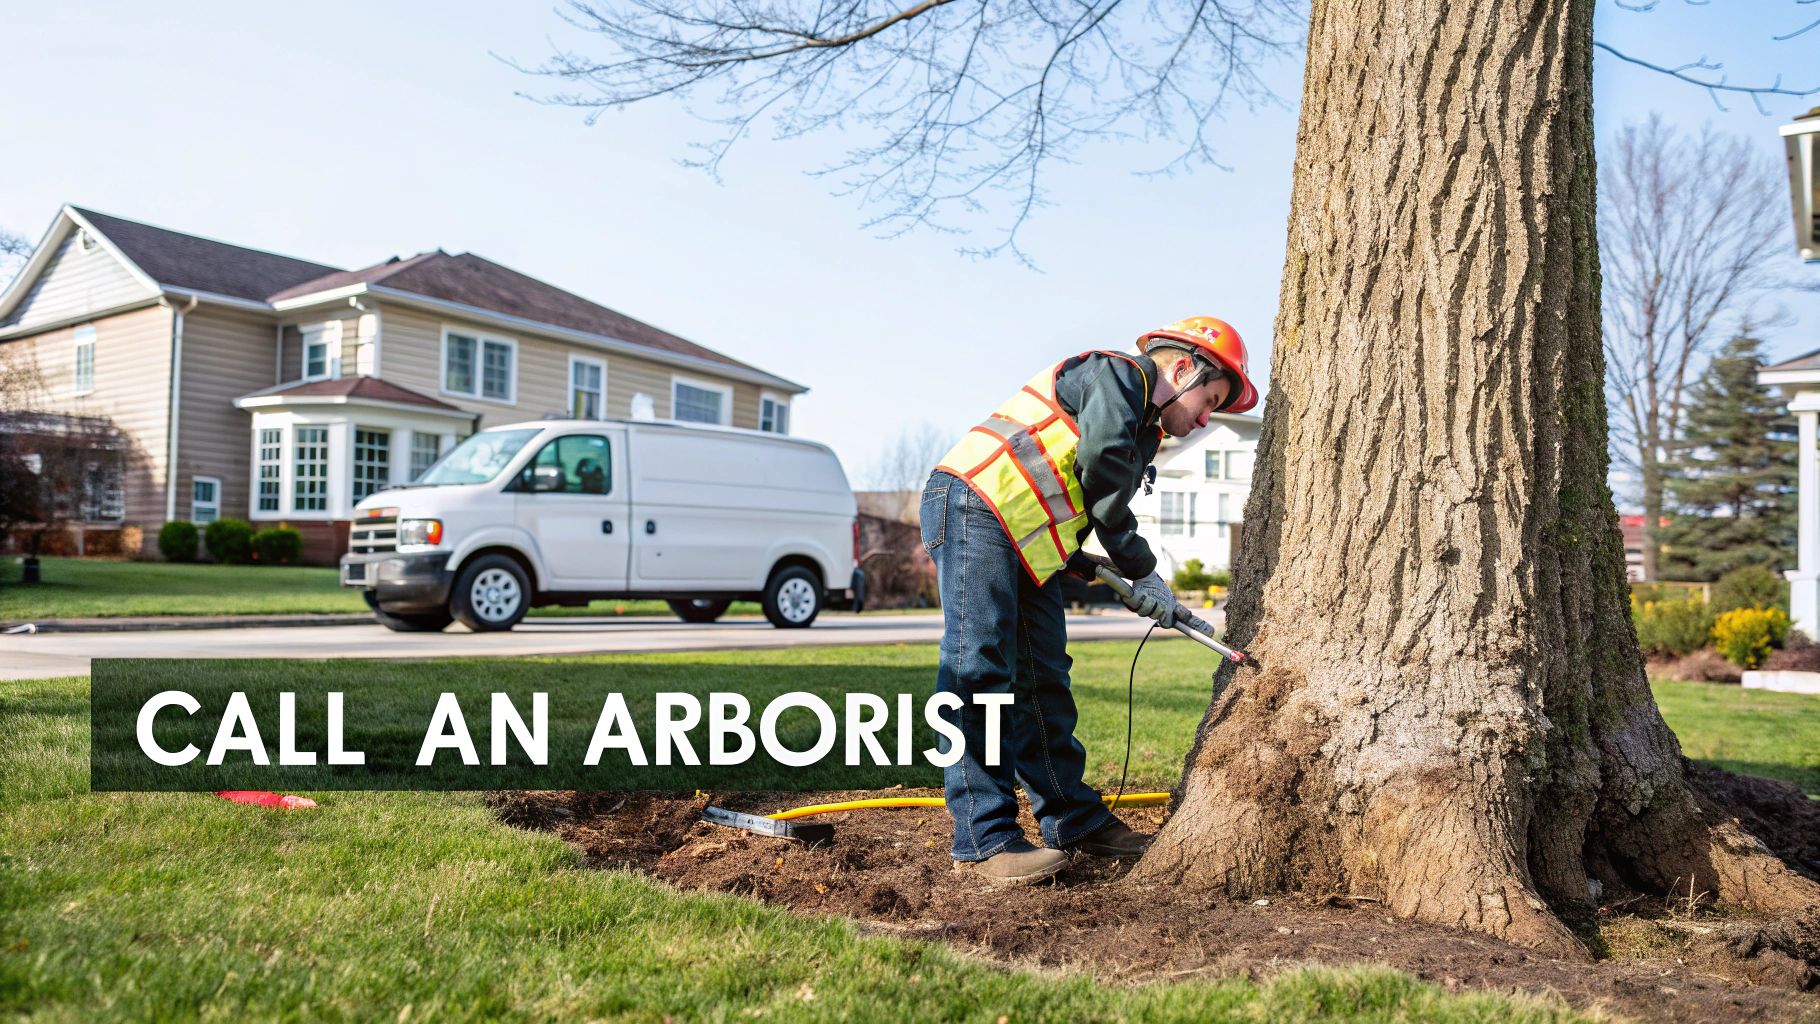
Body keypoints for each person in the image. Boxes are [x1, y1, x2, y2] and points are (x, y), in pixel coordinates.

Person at [920, 316, 1258, 884]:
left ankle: (1072, 820)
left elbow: (1072, 492)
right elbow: (1098, 468)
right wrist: (1141, 567)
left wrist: (1088, 562)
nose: (1205, 419)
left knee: (1044, 679)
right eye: (1210, 400)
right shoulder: (1120, 376)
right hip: (975, 508)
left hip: (1021, 537)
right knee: (977, 670)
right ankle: (982, 838)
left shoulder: (1143, 422)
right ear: (1181, 368)